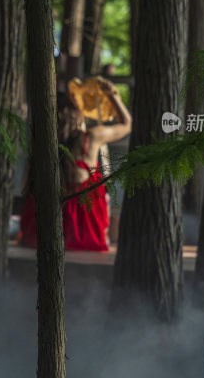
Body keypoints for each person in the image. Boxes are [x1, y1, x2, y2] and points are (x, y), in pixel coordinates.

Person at [20, 77, 132, 251]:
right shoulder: (90, 139)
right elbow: (126, 124)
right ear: (74, 115)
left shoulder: (43, 144)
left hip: (43, 228)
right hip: (84, 228)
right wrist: (112, 94)